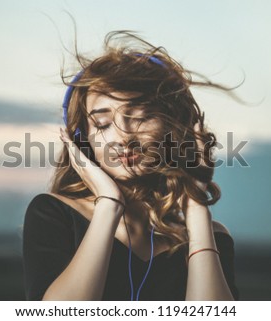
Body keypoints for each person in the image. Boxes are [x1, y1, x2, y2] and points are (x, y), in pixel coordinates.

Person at [23, 31, 239, 301]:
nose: (123, 137)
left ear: (176, 129)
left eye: (141, 117)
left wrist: (196, 209)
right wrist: (109, 204)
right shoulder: (54, 214)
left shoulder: (212, 234)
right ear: (82, 138)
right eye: (102, 124)